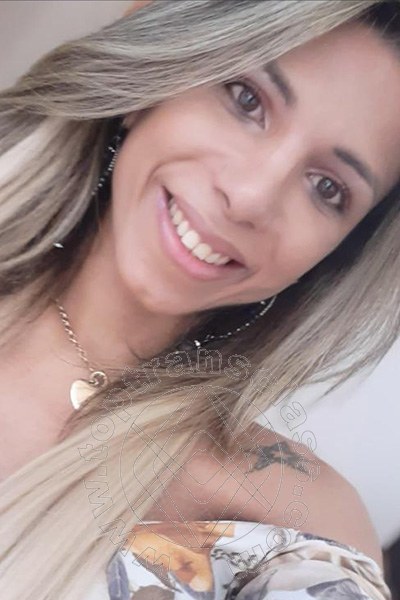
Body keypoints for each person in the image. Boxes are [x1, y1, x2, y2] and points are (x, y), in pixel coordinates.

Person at [0, 0, 399, 597]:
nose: (250, 197)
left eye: (326, 188)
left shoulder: (293, 529)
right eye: (246, 100)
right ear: (155, 78)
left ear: (335, 256)